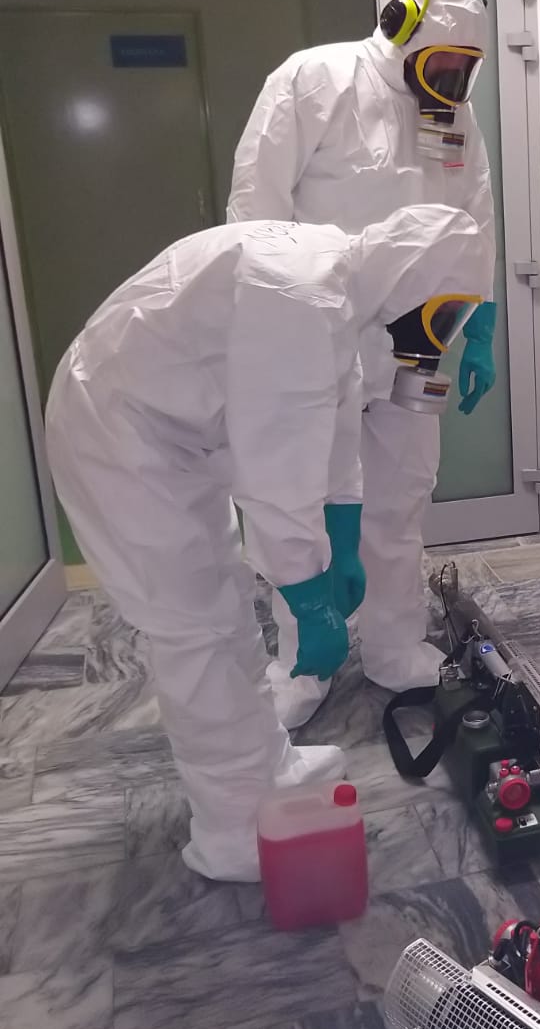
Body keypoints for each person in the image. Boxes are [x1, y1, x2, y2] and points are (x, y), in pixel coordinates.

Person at [46, 205, 487, 883]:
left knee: (223, 600)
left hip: (172, 431)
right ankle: (229, 830)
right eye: (444, 314)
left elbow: (333, 440)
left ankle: (264, 768)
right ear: (411, 277)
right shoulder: (301, 296)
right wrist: (310, 601)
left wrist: (343, 545)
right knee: (193, 626)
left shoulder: (341, 294)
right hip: (118, 432)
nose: (437, 337)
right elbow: (278, 481)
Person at [228, 0, 496, 727]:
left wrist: (479, 325)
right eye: (441, 62)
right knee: (305, 502)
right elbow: (255, 206)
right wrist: (276, 323)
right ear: (401, 27)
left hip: (418, 339)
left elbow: (477, 218)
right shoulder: (315, 79)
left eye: (465, 68)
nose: (450, 81)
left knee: (402, 496)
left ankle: (394, 642)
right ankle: (303, 660)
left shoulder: (457, 116)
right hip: (321, 336)